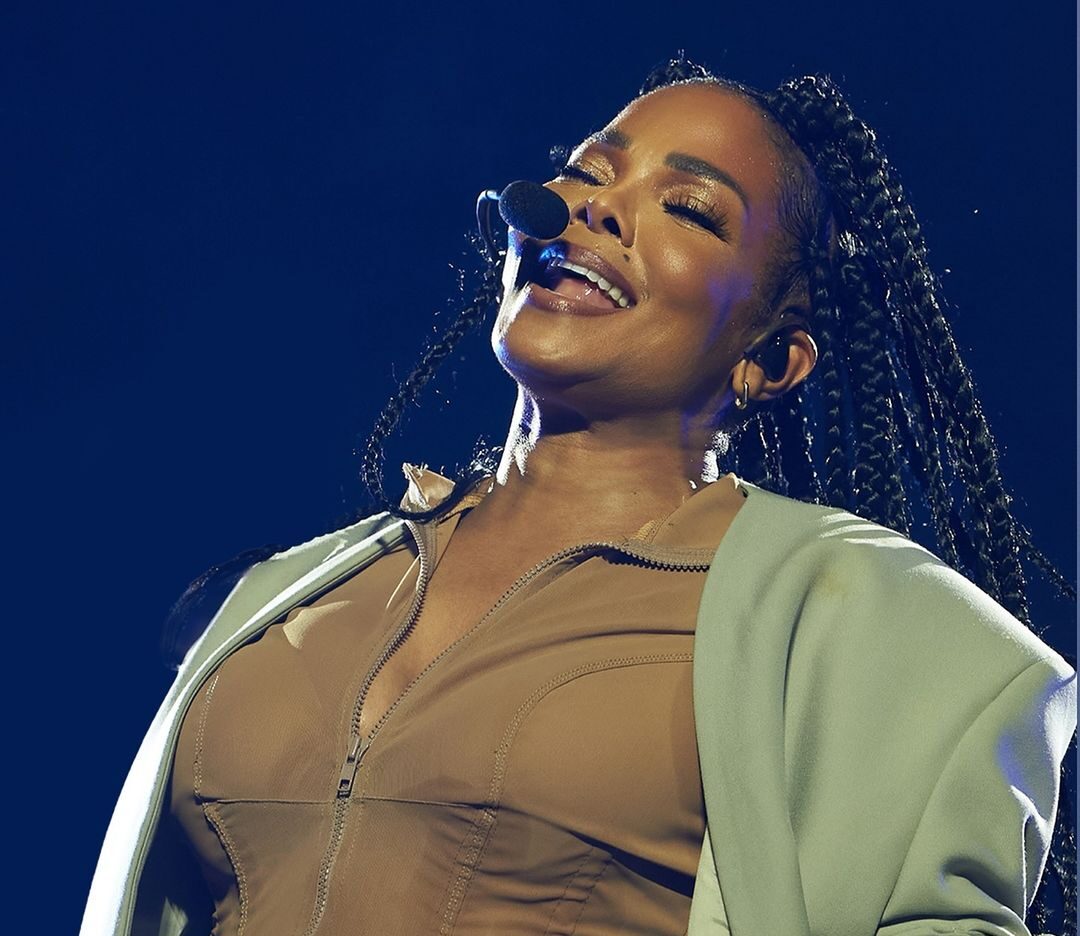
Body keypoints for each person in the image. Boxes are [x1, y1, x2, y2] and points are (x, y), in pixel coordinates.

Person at [81, 53, 1077, 936]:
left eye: (690, 210)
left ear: (771, 360)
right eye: (589, 173)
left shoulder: (867, 627)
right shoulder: (291, 598)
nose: (595, 209)